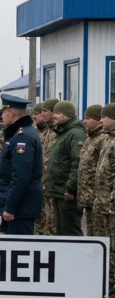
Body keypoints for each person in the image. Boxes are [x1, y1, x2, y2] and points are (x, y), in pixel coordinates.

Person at [0, 94, 42, 235]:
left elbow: (21, 176)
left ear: (12, 113)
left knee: (21, 251)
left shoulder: (22, 137)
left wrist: (10, 207)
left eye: (3, 112)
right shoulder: (19, 134)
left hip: (21, 208)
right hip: (20, 206)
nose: (1, 116)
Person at [45, 101, 86, 236]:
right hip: (58, 191)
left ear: (67, 115)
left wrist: (70, 188)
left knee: (70, 232)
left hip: (67, 193)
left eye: (58, 113)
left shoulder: (75, 134)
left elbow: (77, 162)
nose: (54, 116)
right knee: (61, 231)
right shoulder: (63, 132)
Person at [92, 103, 115, 296]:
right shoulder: (110, 139)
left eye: (105, 117)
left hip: (111, 204)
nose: (101, 121)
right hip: (103, 202)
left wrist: (113, 203)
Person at [77, 105, 107, 236]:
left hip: (99, 200)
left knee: (100, 237)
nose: (84, 121)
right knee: (91, 236)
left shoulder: (104, 139)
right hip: (88, 198)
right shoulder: (90, 137)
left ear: (98, 119)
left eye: (87, 118)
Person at [36, 98, 59, 235]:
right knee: (43, 225)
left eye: (45, 111)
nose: (42, 114)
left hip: (54, 186)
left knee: (53, 227)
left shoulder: (58, 131)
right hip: (42, 185)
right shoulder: (46, 131)